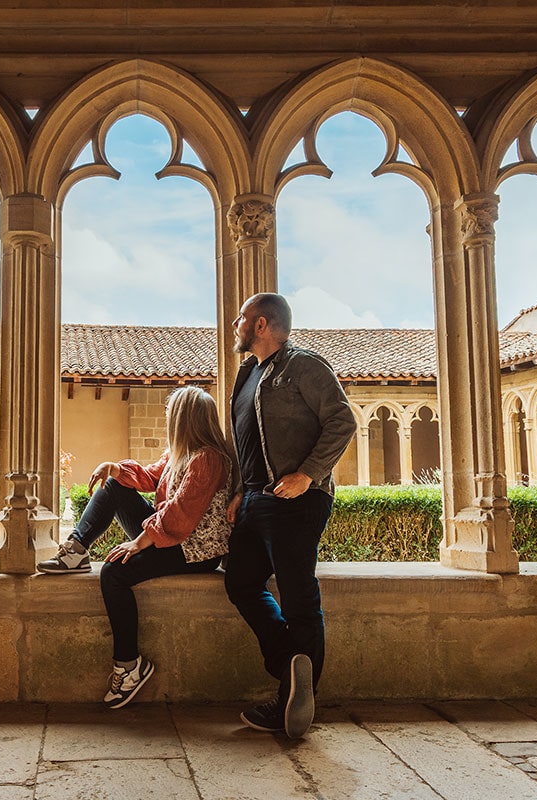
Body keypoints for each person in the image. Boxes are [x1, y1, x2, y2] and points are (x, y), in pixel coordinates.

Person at [37, 385, 237, 709]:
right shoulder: (179, 453)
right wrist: (113, 468)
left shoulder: (209, 459)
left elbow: (182, 514)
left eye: (171, 413)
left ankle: (129, 667)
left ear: (185, 418)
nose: (166, 418)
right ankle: (76, 549)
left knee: (114, 573)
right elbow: (149, 478)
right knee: (117, 483)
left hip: (195, 551)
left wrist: (139, 541)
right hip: (172, 536)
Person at [224, 292, 356, 739]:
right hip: (257, 501)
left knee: (299, 597)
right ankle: (289, 666)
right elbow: (244, 442)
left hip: (297, 500)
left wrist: (308, 475)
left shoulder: (305, 366)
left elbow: (342, 421)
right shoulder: (247, 374)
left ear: (261, 325)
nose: (234, 324)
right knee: (240, 581)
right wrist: (241, 490)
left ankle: (295, 704)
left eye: (241, 318)